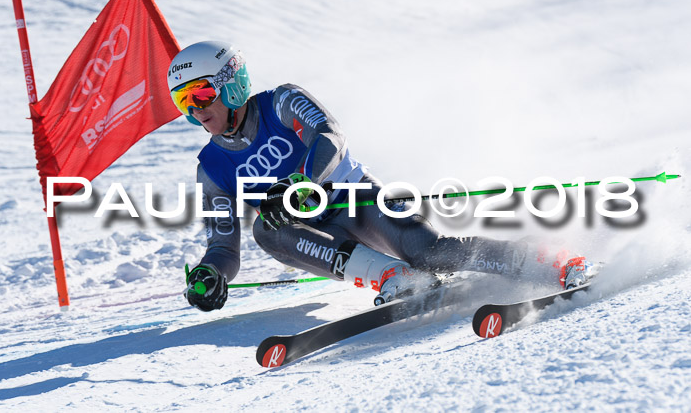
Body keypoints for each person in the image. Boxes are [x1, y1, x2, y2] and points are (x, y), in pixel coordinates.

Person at [167, 41, 595, 312]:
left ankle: (550, 260)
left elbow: (329, 136)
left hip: (358, 199)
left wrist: (302, 182)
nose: (196, 109)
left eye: (202, 93)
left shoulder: (281, 101)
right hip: (313, 237)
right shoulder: (211, 168)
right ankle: (394, 278)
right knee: (266, 228)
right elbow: (224, 243)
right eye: (184, 101)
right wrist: (212, 273)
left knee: (429, 252)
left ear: (231, 84)